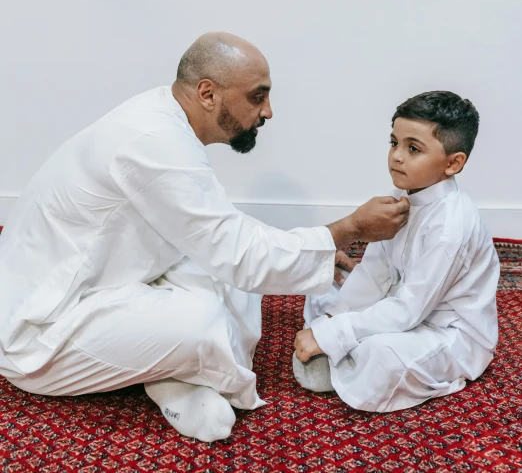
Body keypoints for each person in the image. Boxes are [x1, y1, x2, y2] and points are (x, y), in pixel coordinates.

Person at [0, 33, 410, 442]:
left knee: (232, 272)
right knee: (205, 317)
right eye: (257, 96)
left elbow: (223, 234)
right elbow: (239, 252)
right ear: (208, 93)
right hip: (42, 328)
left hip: (111, 278)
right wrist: (350, 230)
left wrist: (322, 245)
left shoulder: (165, 121)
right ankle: (181, 373)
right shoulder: (154, 142)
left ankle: (180, 371)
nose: (268, 111)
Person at [293, 91, 499, 413]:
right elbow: (376, 273)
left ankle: (353, 360)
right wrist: (333, 319)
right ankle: (341, 351)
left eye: (413, 148)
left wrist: (331, 333)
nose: (396, 156)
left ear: (453, 163)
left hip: (448, 332)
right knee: (326, 285)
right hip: (405, 302)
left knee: (380, 354)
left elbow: (409, 310)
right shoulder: (400, 197)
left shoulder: (450, 227)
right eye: (394, 143)